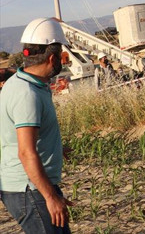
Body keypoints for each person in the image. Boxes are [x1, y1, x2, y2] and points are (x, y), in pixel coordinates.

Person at [0, 18, 73, 232]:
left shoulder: (22, 83)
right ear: (52, 58)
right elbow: (25, 152)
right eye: (61, 55)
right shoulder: (27, 94)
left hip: (32, 186)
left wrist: (55, 149)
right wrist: (50, 196)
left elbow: (19, 138)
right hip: (30, 189)